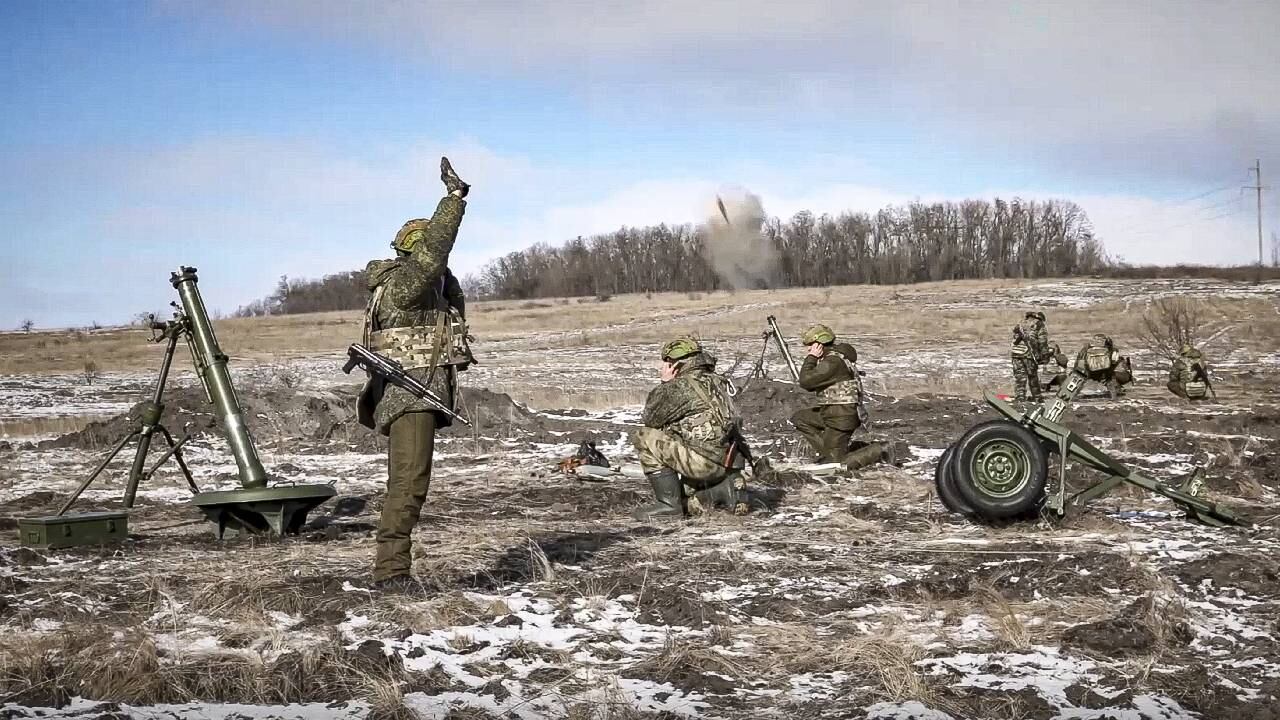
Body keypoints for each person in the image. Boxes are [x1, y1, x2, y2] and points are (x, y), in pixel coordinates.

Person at [356, 157, 472, 591]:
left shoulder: (415, 289)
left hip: (416, 395)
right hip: (410, 397)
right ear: (415, 253)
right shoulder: (407, 286)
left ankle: (393, 569)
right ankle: (391, 574)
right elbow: (433, 254)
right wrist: (453, 201)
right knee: (408, 484)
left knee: (409, 483)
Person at [633, 337, 748, 520]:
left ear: (675, 364)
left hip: (704, 463)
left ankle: (669, 506)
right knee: (689, 498)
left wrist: (665, 384)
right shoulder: (718, 381)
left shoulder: (681, 386)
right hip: (729, 461)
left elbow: (650, 419)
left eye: (667, 362)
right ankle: (725, 489)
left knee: (643, 436)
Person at [789, 324, 882, 469]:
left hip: (841, 418)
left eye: (811, 345)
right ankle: (830, 452)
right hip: (833, 413)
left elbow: (806, 381)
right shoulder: (836, 358)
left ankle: (879, 451)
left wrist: (811, 358)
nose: (809, 349)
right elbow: (812, 384)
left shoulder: (833, 362)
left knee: (835, 465)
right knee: (800, 418)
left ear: (820, 344)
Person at [1074, 333, 1133, 399]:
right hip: (1106, 374)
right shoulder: (1112, 349)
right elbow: (1115, 361)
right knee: (1111, 380)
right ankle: (1114, 398)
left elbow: (1078, 364)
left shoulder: (1085, 349)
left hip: (1089, 373)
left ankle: (1075, 396)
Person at [1011, 311, 1049, 402]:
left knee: (1020, 378)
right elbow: (1042, 342)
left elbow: (1015, 339)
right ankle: (1037, 399)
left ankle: (1020, 399)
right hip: (1029, 355)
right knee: (1033, 378)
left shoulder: (1020, 323)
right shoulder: (1039, 325)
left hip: (1016, 354)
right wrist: (1045, 356)